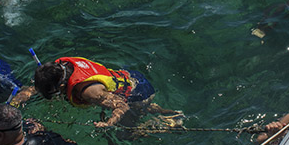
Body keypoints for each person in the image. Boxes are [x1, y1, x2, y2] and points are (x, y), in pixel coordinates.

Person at [29, 56, 180, 129]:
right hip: (127, 77)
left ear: (61, 85)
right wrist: (21, 98)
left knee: (126, 135)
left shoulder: (89, 92)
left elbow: (121, 106)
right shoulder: (60, 67)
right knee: (146, 109)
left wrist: (108, 123)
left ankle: (168, 124)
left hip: (137, 92)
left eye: (54, 93)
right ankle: (171, 113)